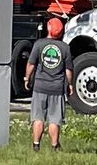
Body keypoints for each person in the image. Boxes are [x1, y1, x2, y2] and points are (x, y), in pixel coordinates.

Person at [30, 12, 72, 151]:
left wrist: (27, 78)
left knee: (38, 118)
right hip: (57, 88)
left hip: (40, 86)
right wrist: (69, 84)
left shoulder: (39, 44)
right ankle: (55, 146)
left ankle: (36, 145)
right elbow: (68, 70)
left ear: (48, 28)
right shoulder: (65, 48)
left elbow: (31, 64)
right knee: (54, 120)